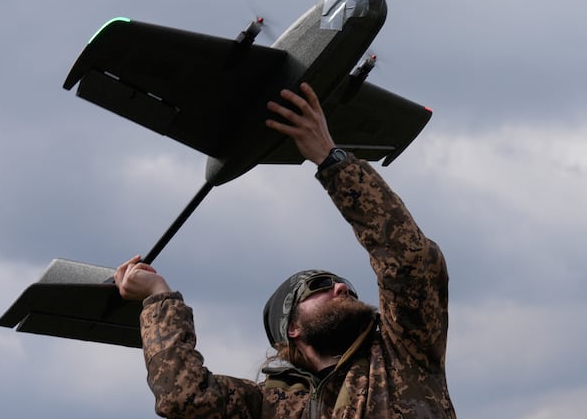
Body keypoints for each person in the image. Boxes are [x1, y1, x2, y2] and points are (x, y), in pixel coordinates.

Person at [115, 82, 457, 418]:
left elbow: (409, 259)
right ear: (291, 328)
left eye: (346, 289)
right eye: (319, 288)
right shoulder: (270, 407)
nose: (341, 288)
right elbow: (184, 399)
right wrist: (159, 299)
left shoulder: (403, 352)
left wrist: (331, 159)